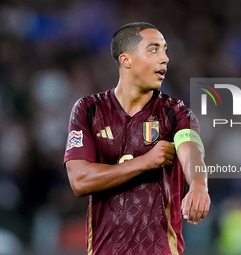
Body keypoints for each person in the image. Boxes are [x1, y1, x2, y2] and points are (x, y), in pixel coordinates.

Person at [64, 22, 210, 255]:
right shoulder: (88, 110)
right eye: (154, 50)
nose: (165, 58)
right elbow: (80, 181)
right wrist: (145, 162)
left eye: (165, 50)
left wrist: (199, 184)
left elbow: (191, 150)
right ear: (126, 60)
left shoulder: (176, 113)